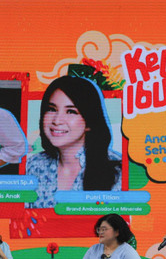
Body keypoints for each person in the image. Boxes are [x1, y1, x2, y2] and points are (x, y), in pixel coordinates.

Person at [26, 75, 121, 208]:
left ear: (89, 122)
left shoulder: (118, 172)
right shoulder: (32, 166)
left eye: (71, 111)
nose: (57, 121)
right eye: (52, 109)